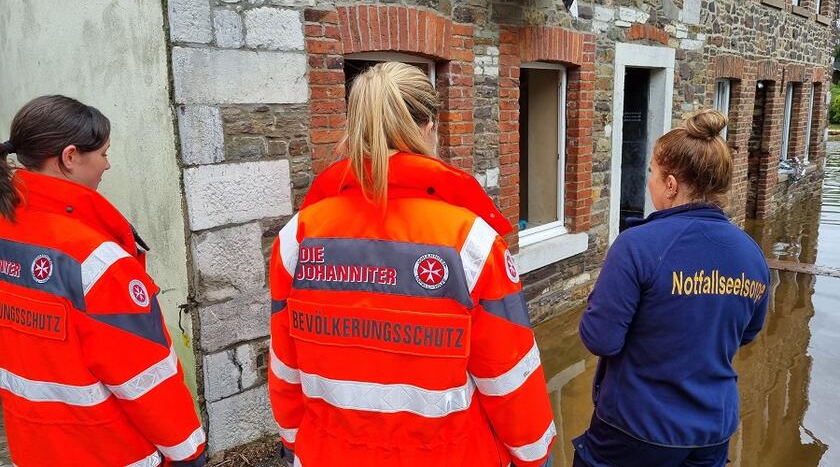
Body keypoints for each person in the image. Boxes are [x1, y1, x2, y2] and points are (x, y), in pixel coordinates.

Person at [268, 62, 556, 466]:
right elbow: (509, 377)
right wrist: (535, 455)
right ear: (427, 129)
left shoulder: (296, 239)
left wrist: (294, 441)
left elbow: (286, 367)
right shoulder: (469, 243)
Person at [0, 95, 206, 466]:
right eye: (103, 154)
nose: (107, 165)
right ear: (70, 157)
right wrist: (188, 451)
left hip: (34, 447)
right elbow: (143, 374)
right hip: (110, 451)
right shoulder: (94, 259)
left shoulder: (9, 230)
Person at [573, 110, 770, 467]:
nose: (649, 181)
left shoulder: (637, 245)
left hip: (636, 428)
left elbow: (600, 338)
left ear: (671, 184)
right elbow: (746, 332)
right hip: (712, 429)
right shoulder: (751, 254)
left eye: (652, 172)